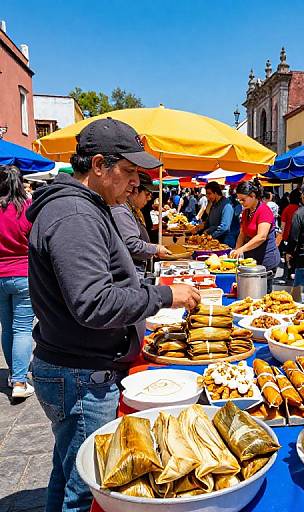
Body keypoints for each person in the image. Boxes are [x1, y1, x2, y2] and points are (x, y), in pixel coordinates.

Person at [27, 118, 201, 512]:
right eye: (128, 173)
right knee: (85, 487)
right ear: (100, 165)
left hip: (77, 365)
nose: (132, 184)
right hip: (81, 374)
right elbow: (93, 302)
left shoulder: (86, 207)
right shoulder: (76, 215)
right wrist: (163, 296)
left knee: (68, 469)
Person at [0, 166, 35, 399]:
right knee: (22, 329)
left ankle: (15, 374)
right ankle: (20, 383)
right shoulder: (27, 208)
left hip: (0, 276)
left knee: (7, 328)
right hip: (23, 274)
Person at [111, 172, 171, 279]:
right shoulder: (121, 211)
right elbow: (131, 244)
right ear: (135, 191)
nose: (148, 199)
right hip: (130, 272)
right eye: (147, 194)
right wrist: (155, 249)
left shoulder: (132, 209)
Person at [231, 181, 280, 292]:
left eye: (243, 199)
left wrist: (242, 249)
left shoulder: (264, 210)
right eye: (239, 199)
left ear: (253, 196)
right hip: (251, 261)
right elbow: (242, 234)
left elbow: (261, 236)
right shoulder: (246, 212)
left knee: (261, 294)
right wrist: (236, 250)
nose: (241, 202)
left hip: (266, 261)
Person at [277, 187, 302, 281]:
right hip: (299, 236)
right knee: (296, 256)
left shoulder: (287, 209)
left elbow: (282, 226)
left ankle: (288, 273)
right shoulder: (301, 209)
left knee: (287, 255)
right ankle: (295, 273)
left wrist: (281, 237)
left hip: (287, 236)